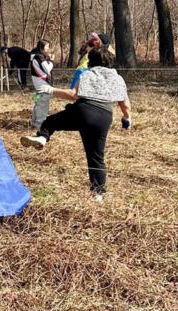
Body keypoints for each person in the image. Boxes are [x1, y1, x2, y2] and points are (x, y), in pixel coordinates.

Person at [21, 47, 131, 201]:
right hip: (105, 117)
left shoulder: (87, 74)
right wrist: (127, 118)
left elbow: (73, 95)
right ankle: (98, 192)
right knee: (96, 156)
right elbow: (125, 104)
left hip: (84, 111)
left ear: (90, 61)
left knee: (51, 121)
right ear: (110, 61)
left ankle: (42, 137)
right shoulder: (118, 78)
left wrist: (51, 90)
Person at [30, 39, 54, 128]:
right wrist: (51, 61)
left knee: (37, 103)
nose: (48, 48)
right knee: (43, 103)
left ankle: (34, 121)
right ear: (42, 47)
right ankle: (40, 123)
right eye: (47, 46)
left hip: (38, 85)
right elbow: (47, 69)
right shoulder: (39, 57)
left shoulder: (34, 56)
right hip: (43, 84)